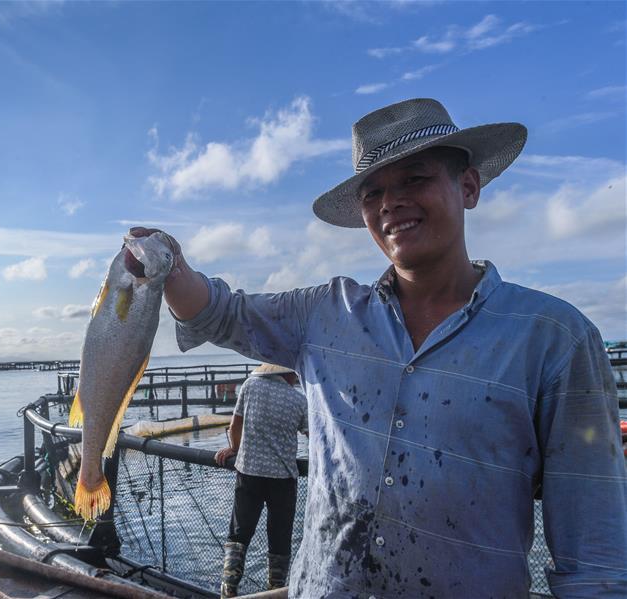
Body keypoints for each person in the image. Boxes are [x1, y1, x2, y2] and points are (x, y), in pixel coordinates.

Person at [132, 98, 627, 598]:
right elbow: (222, 312)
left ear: (469, 186)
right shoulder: (324, 314)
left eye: (415, 178)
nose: (390, 203)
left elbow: (595, 559)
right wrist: (166, 263)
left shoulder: (554, 339)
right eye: (374, 193)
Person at [214, 362, 307, 597]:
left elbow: (235, 424)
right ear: (286, 373)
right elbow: (313, 433)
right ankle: (275, 590)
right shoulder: (297, 400)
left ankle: (228, 589)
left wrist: (235, 448)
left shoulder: (250, 385)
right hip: (283, 477)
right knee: (280, 536)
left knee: (239, 533)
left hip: (249, 472)